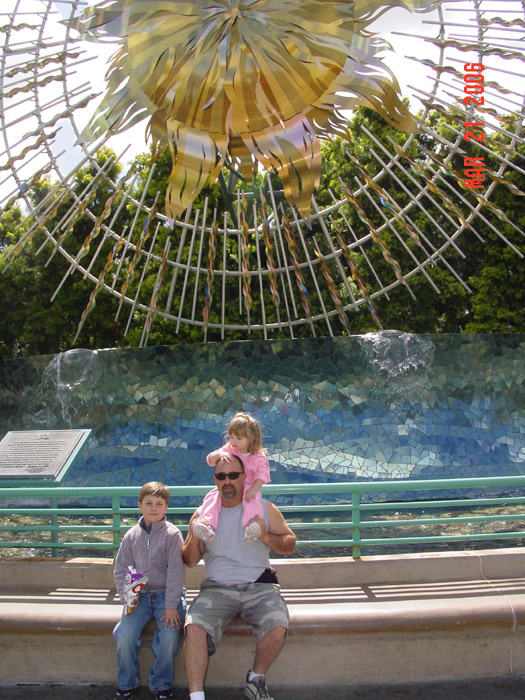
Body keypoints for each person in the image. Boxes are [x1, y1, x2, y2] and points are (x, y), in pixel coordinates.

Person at [182, 454, 296, 700]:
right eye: (221, 476)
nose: (227, 481)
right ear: (215, 479)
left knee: (278, 625)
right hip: (217, 589)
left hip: (259, 587)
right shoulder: (203, 514)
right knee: (193, 627)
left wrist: (265, 536)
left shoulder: (263, 508)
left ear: (244, 477)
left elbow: (289, 543)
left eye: (233, 475)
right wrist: (193, 537)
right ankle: (196, 697)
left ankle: (255, 680)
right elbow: (190, 560)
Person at [113, 482, 186, 700]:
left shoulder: (172, 535)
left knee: (169, 637)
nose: (154, 508)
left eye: (159, 504)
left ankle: (160, 683)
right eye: (149, 503)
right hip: (140, 596)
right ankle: (127, 682)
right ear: (139, 506)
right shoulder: (131, 536)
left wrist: (171, 606)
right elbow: (121, 569)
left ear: (166, 507)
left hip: (166, 595)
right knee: (124, 635)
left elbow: (176, 573)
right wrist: (126, 596)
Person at [194, 412, 270, 543]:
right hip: (231, 486)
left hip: (249, 487)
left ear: (251, 438)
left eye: (239, 438)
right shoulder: (230, 449)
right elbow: (210, 460)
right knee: (212, 498)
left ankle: (252, 526)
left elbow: (262, 475)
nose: (233, 441)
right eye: (231, 437)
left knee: (252, 502)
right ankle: (207, 524)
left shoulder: (258, 456)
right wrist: (219, 455)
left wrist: (254, 489)